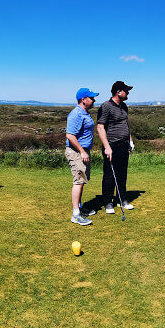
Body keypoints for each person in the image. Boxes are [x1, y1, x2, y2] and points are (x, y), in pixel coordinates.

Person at [97, 80, 136, 214]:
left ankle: (122, 199)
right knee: (109, 174)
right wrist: (107, 146)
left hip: (123, 145)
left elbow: (126, 125)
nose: (128, 93)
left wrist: (130, 141)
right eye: (126, 90)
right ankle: (108, 202)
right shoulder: (106, 106)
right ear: (118, 92)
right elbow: (100, 127)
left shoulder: (124, 107)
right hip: (111, 145)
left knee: (122, 173)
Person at [65, 87, 99, 226]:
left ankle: (79, 207)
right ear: (83, 100)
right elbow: (70, 135)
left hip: (83, 151)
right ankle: (75, 214)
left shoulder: (85, 113)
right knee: (78, 181)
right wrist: (82, 151)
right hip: (76, 152)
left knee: (82, 180)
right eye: (91, 98)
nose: (94, 100)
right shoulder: (76, 114)